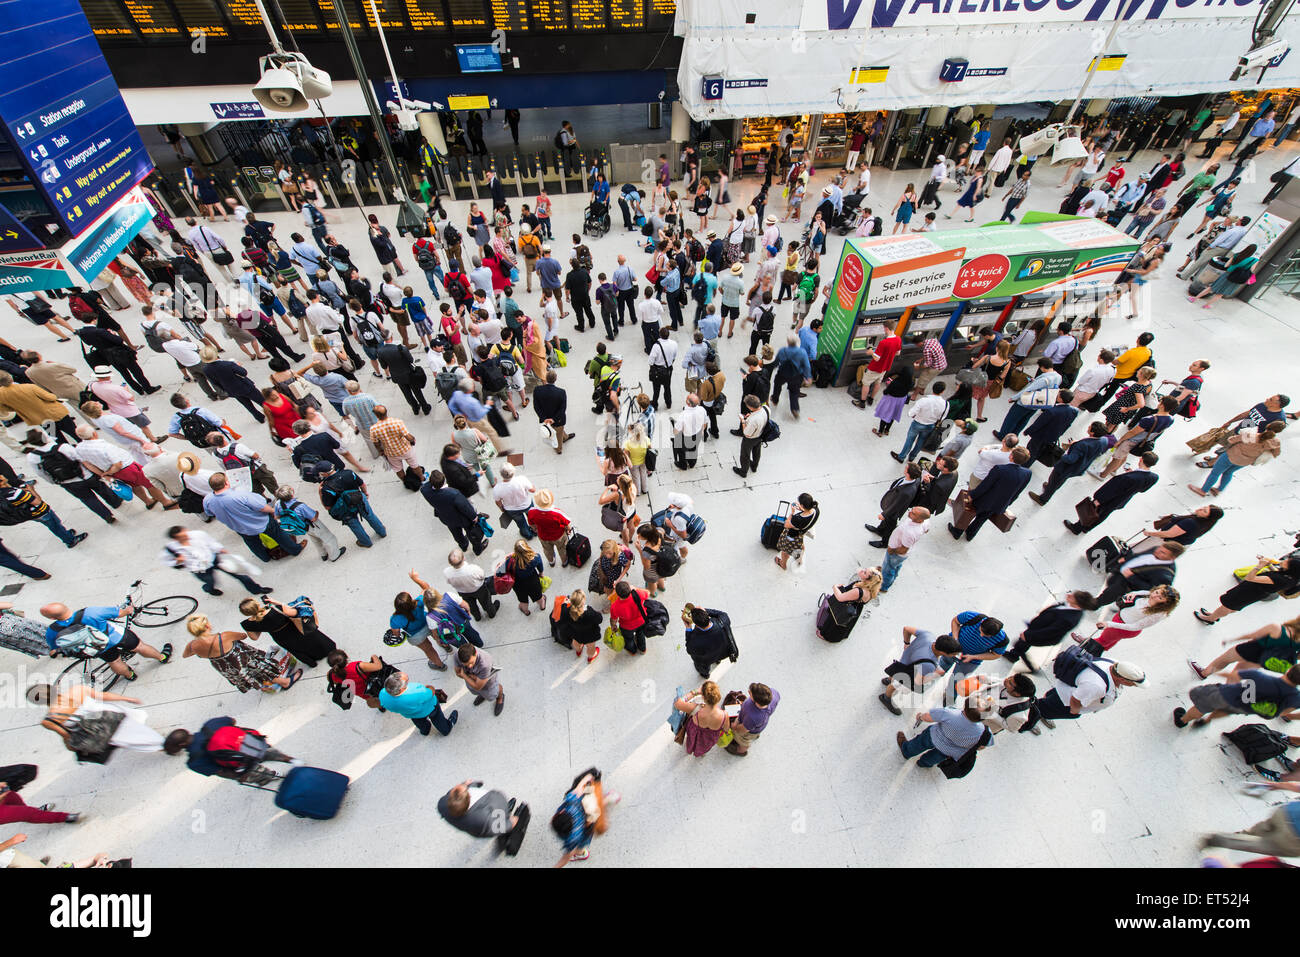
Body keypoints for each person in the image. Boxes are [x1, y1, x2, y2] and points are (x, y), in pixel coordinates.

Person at [40, 599, 173, 681]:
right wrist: (128, 610)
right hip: (116, 636)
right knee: (139, 646)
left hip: (97, 647)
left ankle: (130, 675)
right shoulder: (90, 612)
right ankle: (161, 657)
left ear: (52, 618)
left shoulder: (52, 630)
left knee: (114, 661)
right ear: (66, 606)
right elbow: (121, 613)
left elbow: (53, 648)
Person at [183, 613, 300, 693]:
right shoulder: (223, 636)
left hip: (223, 666)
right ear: (207, 626)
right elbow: (243, 636)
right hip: (242, 658)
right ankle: (284, 682)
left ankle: (264, 684)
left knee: (247, 675)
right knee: (261, 670)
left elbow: (185, 655)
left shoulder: (193, 645)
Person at [203, 473, 302, 562]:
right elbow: (262, 507)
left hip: (239, 528)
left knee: (253, 544)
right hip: (261, 522)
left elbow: (210, 513)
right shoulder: (240, 495)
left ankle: (265, 557)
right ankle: (295, 549)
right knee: (279, 535)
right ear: (226, 483)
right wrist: (274, 511)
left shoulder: (207, 500)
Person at [1175, 664, 1300, 729]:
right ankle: (1208, 720)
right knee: (1227, 710)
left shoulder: (1260, 677)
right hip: (1246, 708)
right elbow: (1284, 713)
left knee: (1202, 706)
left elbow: (1233, 676)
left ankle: (1183, 720)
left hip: (1228, 695)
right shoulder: (1296, 698)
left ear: (1289, 670)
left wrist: (1213, 670)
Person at [1063, 451, 1159, 535]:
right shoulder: (1154, 477)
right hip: (1121, 501)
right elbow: (1142, 489)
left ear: (1141, 460)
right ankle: (1087, 529)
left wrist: (1099, 499)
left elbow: (1112, 490)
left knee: (1091, 512)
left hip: (1109, 499)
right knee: (1102, 515)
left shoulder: (1128, 478)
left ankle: (1077, 528)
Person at [161, 526, 273, 597]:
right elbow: (166, 561)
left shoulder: (198, 535)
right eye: (181, 537)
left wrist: (220, 549)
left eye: (184, 533)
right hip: (200, 569)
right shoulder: (171, 548)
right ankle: (209, 588)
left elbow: (211, 543)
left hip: (214, 559)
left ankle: (256, 589)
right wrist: (177, 561)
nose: (185, 536)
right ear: (175, 539)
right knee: (211, 581)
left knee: (239, 574)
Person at [951, 447, 1032, 541]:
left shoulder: (999, 469)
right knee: (981, 520)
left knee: (968, 515)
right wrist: (1008, 503)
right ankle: (970, 535)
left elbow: (985, 486)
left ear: (1011, 457)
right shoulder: (1027, 473)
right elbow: (1019, 491)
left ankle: (957, 532)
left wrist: (972, 495)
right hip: (999, 504)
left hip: (984, 500)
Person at [1076, 584, 1178, 656]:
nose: (1154, 596)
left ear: (1165, 604)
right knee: (1109, 641)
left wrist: (1109, 624)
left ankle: (1088, 646)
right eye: (1156, 592)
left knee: (1103, 640)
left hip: (1123, 628)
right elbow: (1142, 592)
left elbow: (1135, 627)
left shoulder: (1157, 614)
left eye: (1159, 598)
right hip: (1120, 619)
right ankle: (1097, 647)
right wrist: (1133, 594)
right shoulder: (1151, 594)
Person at [1002, 591, 1098, 667]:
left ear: (1077, 605)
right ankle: (1015, 654)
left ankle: (1023, 661)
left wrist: (1028, 635)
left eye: (1072, 596)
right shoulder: (1070, 606)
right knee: (1022, 643)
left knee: (1022, 642)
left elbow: (1049, 632)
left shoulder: (1070, 619)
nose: (1069, 595)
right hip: (1038, 627)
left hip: (1043, 635)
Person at [1196, 555, 1300, 626]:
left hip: (1249, 592)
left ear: (1291, 568)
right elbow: (1276, 573)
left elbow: (1250, 578)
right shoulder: (1291, 578)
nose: (1284, 561)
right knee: (1233, 607)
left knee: (1228, 605)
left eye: (1287, 562)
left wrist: (1260, 566)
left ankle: (1211, 619)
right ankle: (1214, 615)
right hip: (1255, 593)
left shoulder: (1280, 579)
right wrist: (1268, 564)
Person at [1029, 422, 1116, 505]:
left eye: (1090, 427)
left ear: (1092, 433)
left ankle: (1043, 499)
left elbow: (1070, 459)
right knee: (1058, 481)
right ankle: (1050, 487)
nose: (1088, 427)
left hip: (1066, 468)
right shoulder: (1104, 440)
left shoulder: (1082, 445)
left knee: (1055, 480)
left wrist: (1062, 453)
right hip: (1080, 466)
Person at [552, 768, 619, 866]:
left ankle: (581, 853)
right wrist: (580, 786)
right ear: (562, 812)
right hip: (588, 811)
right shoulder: (572, 798)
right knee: (594, 804)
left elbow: (566, 857)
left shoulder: (573, 838)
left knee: (580, 848)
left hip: (589, 820)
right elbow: (590, 777)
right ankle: (609, 798)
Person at [896, 702, 989, 769]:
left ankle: (907, 751)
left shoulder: (950, 713)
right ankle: (923, 763)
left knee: (920, 744)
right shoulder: (983, 731)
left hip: (933, 736)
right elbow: (981, 746)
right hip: (949, 750)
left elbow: (929, 717)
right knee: (934, 758)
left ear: (965, 706)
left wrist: (920, 716)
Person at [1092, 542, 1183, 608]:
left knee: (1108, 595)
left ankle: (1095, 604)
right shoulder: (1156, 549)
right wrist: (1126, 558)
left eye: (1163, 552)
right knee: (1110, 584)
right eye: (1160, 549)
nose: (1157, 551)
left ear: (1172, 557)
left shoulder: (1165, 575)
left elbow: (1151, 590)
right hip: (1119, 573)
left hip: (1126, 584)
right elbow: (1139, 556)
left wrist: (1131, 577)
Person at [380, 670, 458, 737]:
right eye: (406, 681)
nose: (406, 676)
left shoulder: (382, 694)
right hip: (430, 708)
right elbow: (431, 693)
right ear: (402, 689)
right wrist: (430, 687)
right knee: (438, 719)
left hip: (412, 714)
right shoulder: (416, 693)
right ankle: (446, 728)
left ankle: (425, 731)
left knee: (420, 723)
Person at [893, 382, 948, 462]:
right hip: (930, 425)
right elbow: (942, 417)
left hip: (917, 423)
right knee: (921, 442)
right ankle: (912, 457)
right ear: (943, 391)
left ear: (933, 388)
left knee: (910, 440)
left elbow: (911, 413)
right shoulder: (946, 404)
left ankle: (902, 457)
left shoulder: (923, 400)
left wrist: (914, 415)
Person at [881, 506, 931, 593]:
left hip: (897, 554)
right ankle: (893, 577)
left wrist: (891, 550)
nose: (910, 512)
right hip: (902, 555)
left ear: (919, 519)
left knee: (888, 569)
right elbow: (927, 530)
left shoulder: (910, 532)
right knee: (895, 566)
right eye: (912, 510)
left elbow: (903, 550)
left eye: (913, 513)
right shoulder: (925, 522)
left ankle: (883, 587)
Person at [674, 682, 730, 757]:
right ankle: (701, 753)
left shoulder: (696, 709)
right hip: (710, 737)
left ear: (703, 697)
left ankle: (690, 749)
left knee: (691, 741)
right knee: (705, 746)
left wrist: (695, 692)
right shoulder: (724, 714)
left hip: (694, 733)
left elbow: (677, 703)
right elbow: (726, 729)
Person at [454, 642, 505, 716]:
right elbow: (457, 673)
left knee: (494, 691)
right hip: (474, 682)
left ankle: (500, 697)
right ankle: (482, 695)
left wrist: (464, 675)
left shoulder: (485, 663)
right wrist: (472, 678)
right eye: (466, 664)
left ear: (476, 653)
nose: (470, 666)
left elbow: (478, 686)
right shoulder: (457, 655)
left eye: (471, 662)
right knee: (476, 691)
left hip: (488, 683)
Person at [774, 492, 819, 571]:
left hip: (792, 536)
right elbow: (807, 513)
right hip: (801, 534)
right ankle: (799, 560)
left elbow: (786, 524)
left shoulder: (797, 519)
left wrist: (792, 512)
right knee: (801, 546)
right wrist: (803, 510)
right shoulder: (816, 510)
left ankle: (783, 564)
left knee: (785, 551)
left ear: (802, 505)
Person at [683, 604, 732, 677]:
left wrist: (688, 628)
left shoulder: (696, 642)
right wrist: (706, 611)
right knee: (717, 657)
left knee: (702, 667)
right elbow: (721, 613)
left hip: (707, 660)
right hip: (722, 651)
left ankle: (705, 674)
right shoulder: (723, 620)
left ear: (696, 624)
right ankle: (718, 661)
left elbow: (689, 649)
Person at [772, 334, 811, 418]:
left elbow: (776, 362)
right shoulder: (802, 352)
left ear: (788, 342)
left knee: (777, 385)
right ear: (796, 342)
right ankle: (794, 409)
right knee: (794, 391)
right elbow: (807, 366)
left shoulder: (782, 350)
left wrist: (770, 368)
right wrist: (808, 377)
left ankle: (775, 399)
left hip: (782, 373)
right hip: (796, 375)